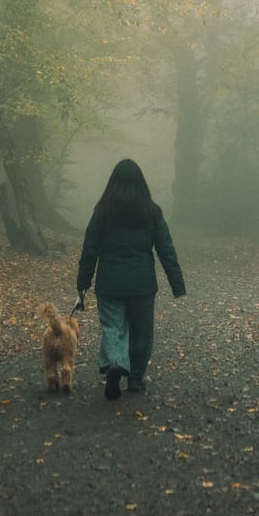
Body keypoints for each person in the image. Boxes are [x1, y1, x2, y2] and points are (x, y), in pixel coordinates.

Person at [74, 158, 185, 399]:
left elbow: (90, 248)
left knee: (112, 327)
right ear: (141, 183)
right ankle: (135, 379)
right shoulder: (152, 212)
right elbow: (166, 249)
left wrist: (83, 283)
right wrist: (177, 283)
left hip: (110, 282)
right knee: (141, 332)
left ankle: (114, 363)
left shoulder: (102, 211)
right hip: (142, 284)